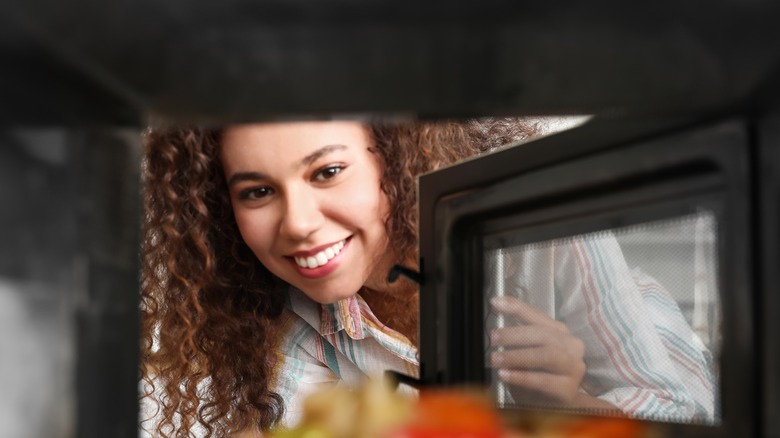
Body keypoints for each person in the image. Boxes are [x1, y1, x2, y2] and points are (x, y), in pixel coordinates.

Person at [139, 118, 714, 437]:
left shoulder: (547, 234)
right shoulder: (297, 327)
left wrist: (569, 400)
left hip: (649, 333)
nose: (298, 225)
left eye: (329, 171)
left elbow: (684, 409)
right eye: (258, 191)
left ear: (396, 153)